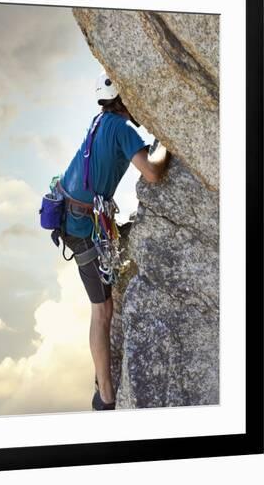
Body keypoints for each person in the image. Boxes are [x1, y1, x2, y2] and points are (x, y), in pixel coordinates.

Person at [58, 70, 171, 410]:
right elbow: (152, 173)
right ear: (123, 98)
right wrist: (166, 142)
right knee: (103, 310)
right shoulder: (122, 128)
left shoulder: (99, 121)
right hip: (81, 226)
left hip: (73, 216)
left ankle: (102, 385)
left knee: (103, 307)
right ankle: (106, 396)